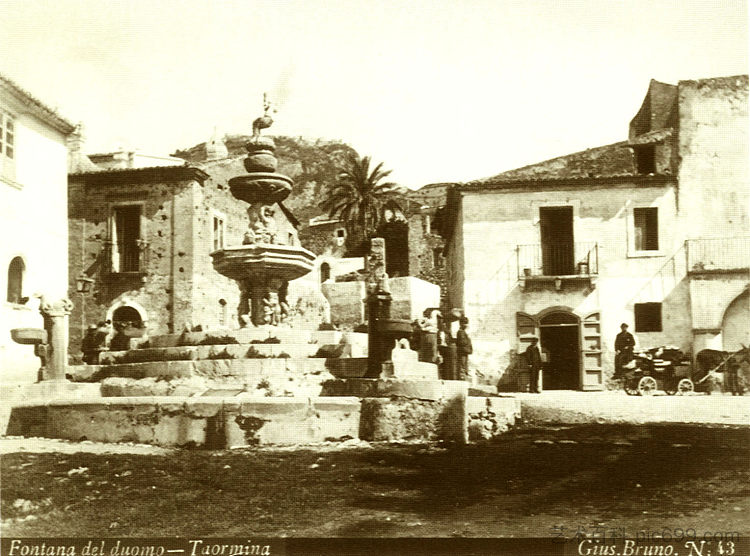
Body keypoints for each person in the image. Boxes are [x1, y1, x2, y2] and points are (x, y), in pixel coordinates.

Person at [456, 316, 473, 380]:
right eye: (465, 323)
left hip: (464, 351)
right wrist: (468, 340)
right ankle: (462, 378)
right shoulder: (460, 332)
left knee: (464, 365)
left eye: (466, 323)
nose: (466, 325)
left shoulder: (463, 332)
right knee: (462, 365)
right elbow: (462, 342)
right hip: (462, 351)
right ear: (461, 324)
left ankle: (464, 377)